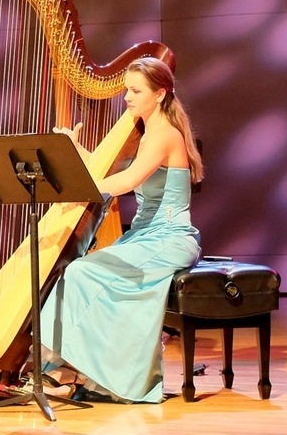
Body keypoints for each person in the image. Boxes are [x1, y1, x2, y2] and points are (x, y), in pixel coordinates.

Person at [39, 56, 203, 404]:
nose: (126, 97)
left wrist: (80, 190)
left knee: (82, 272)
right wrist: (74, 149)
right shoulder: (146, 133)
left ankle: (73, 371)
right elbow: (109, 169)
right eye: (126, 90)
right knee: (77, 273)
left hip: (169, 238)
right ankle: (72, 369)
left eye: (135, 90)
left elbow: (128, 179)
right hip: (146, 236)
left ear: (160, 94)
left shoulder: (164, 135)